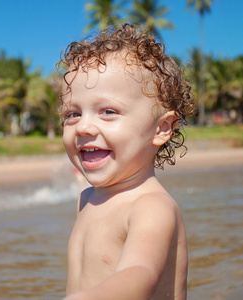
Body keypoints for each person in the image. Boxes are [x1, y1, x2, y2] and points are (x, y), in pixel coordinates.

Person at [58, 24, 194, 300]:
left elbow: (139, 273)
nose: (83, 127)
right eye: (72, 114)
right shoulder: (85, 199)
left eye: (107, 111)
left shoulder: (151, 207)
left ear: (161, 128)